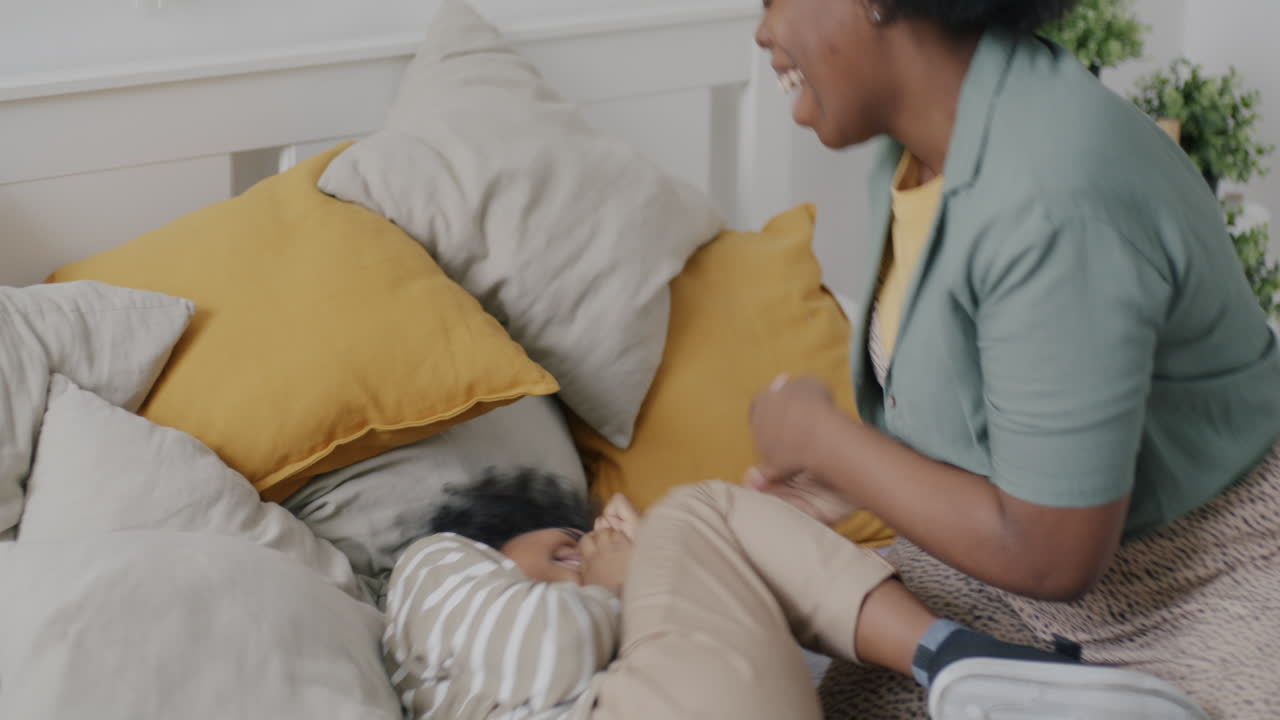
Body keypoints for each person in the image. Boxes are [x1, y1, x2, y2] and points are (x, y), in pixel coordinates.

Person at [746, 0, 1280, 717]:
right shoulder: (918, 151)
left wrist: (826, 441)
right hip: (1002, 593)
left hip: (1203, 587)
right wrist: (861, 482)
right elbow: (1002, 410)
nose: (764, 32)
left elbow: (1052, 552)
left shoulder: (1053, 190)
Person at [383, 469, 1201, 719]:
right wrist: (625, 571)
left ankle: (977, 670)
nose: (585, 539)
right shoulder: (433, 567)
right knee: (693, 510)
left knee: (700, 530)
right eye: (565, 539)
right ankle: (955, 655)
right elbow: (544, 650)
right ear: (495, 538)